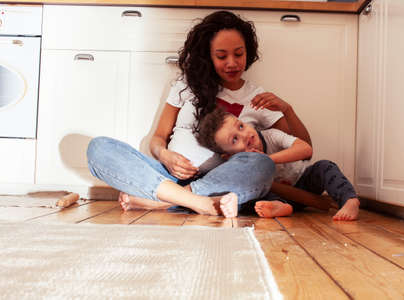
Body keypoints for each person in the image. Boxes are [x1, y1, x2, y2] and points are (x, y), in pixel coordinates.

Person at [86, 10, 312, 217]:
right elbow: (158, 139)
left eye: (239, 54)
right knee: (99, 148)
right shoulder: (186, 85)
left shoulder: (257, 98)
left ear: (248, 52)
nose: (232, 63)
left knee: (262, 165)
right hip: (167, 177)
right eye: (221, 56)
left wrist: (287, 109)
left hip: (223, 182)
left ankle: (165, 201)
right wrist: (166, 156)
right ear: (208, 56)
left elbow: (304, 150)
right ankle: (201, 203)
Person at [196, 107, 360, 221]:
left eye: (240, 126)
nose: (244, 135)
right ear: (227, 155)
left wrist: (270, 159)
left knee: (325, 166)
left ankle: (349, 200)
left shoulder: (271, 136)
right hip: (274, 195)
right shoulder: (237, 162)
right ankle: (280, 207)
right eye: (234, 139)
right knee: (252, 198)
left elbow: (305, 149)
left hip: (302, 181)